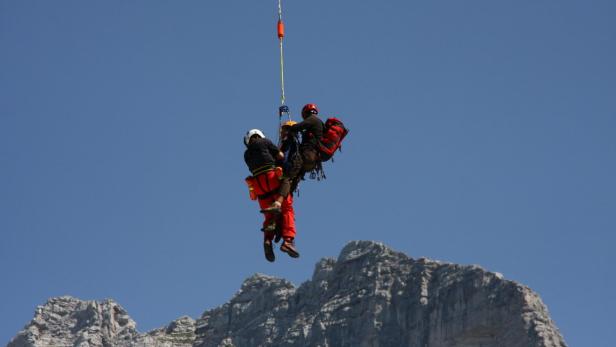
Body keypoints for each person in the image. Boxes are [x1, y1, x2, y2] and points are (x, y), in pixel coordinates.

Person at [243, 129, 300, 261]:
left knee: (269, 216)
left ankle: (268, 240)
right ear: (260, 135)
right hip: (272, 177)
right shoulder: (265, 141)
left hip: (258, 186)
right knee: (287, 209)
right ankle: (288, 241)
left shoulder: (246, 154)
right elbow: (280, 156)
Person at [262, 103, 325, 211]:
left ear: (305, 113)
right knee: (293, 180)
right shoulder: (320, 124)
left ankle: (277, 203)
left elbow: (297, 127)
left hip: (307, 155)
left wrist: (290, 128)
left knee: (287, 177)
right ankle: (284, 204)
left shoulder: (312, 119)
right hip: (313, 160)